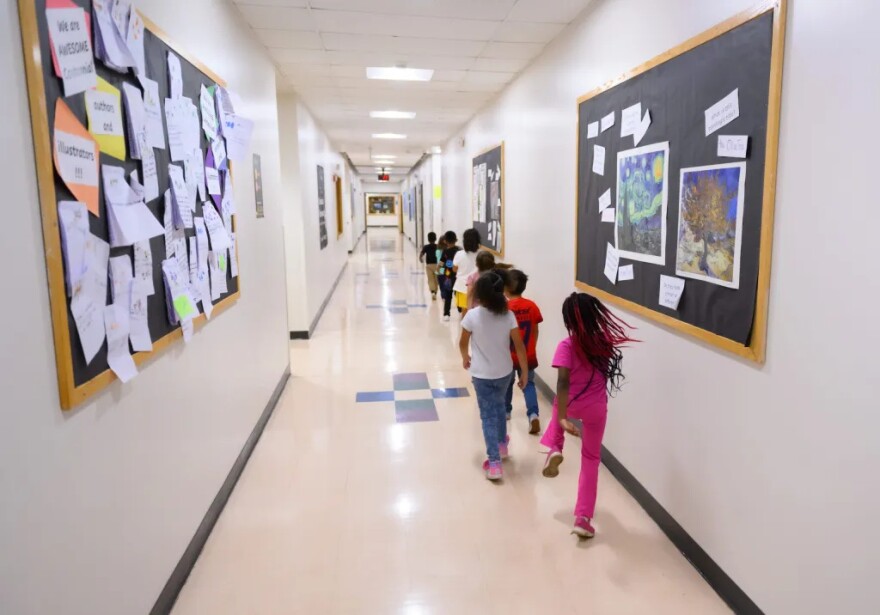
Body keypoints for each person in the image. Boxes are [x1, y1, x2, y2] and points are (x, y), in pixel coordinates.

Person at [540, 293, 637, 538]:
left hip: (571, 402)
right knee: (591, 459)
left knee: (556, 407)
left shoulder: (566, 346)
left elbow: (562, 382)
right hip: (596, 408)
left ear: (568, 321)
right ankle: (582, 519)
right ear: (596, 316)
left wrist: (562, 417)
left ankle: (555, 447)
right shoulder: (604, 343)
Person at [459, 272, 529, 481]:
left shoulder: (472, 316)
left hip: (481, 375)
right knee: (499, 407)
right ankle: (501, 444)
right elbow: (519, 346)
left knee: (487, 416)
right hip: (504, 373)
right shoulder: (508, 315)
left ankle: (495, 462)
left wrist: (465, 357)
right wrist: (524, 371)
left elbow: (462, 342)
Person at [503, 270, 544, 434]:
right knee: (529, 384)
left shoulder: (505, 308)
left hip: (508, 354)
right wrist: (532, 348)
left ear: (505, 288)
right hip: (528, 354)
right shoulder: (531, 306)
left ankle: (506, 411)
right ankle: (533, 414)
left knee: (507, 384)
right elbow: (535, 330)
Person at [452, 228, 480, 318]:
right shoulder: (481, 254)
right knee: (477, 309)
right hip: (478, 286)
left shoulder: (459, 254)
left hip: (462, 286)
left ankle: (466, 327)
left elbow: (454, 269)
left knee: (465, 309)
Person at [439, 231, 460, 321]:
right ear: (456, 240)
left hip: (448, 276)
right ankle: (460, 309)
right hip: (458, 276)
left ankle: (446, 314)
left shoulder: (445, 251)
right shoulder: (459, 251)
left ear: (445, 241)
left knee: (448, 296)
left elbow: (441, 263)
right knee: (458, 294)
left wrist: (439, 270)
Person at [419, 232, 439, 300]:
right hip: (437, 265)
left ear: (428, 239)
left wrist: (420, 259)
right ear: (435, 238)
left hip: (429, 265)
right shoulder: (438, 246)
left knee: (430, 279)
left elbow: (421, 254)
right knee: (436, 279)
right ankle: (435, 292)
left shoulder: (426, 247)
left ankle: (432, 292)